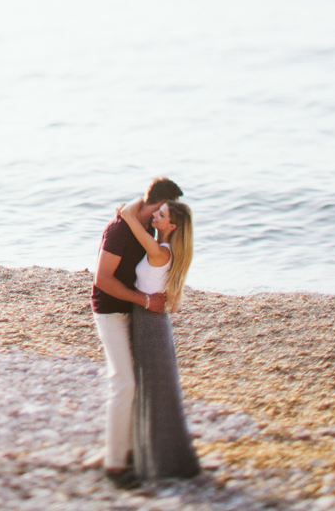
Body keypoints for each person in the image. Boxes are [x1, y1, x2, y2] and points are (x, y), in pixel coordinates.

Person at [89, 176, 184, 489]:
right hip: (111, 312)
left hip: (135, 312)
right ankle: (116, 465)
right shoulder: (118, 230)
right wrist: (144, 299)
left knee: (138, 382)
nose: (165, 218)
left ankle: (127, 450)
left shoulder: (144, 229)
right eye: (165, 211)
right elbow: (102, 279)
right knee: (124, 382)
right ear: (158, 205)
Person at [117, 197, 201, 481]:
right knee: (154, 388)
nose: (155, 216)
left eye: (161, 214)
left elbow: (128, 216)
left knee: (155, 390)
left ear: (172, 226)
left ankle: (164, 463)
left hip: (150, 322)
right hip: (151, 320)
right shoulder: (163, 249)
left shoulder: (160, 252)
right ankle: (154, 457)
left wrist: (138, 204)